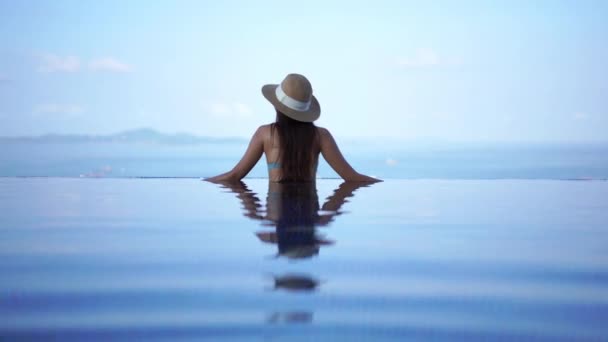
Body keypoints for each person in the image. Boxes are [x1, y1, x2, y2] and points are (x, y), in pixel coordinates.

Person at [205, 73, 380, 183]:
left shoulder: (265, 134)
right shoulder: (321, 136)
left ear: (276, 106)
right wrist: (329, 214)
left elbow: (235, 175)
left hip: (276, 213)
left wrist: (203, 181)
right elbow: (351, 177)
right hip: (309, 212)